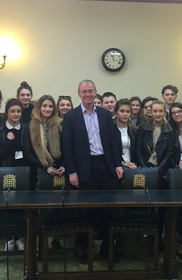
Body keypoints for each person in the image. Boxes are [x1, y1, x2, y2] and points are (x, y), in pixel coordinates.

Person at [61, 80, 123, 263]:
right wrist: (71, 171)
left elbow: (113, 142)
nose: (88, 94)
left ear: (96, 92)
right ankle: (85, 250)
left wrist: (118, 164)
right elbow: (68, 147)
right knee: (85, 211)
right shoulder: (71, 116)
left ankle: (107, 249)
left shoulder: (105, 114)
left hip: (107, 166)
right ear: (78, 94)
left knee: (110, 210)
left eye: (90, 91)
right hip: (84, 169)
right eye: (84, 91)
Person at [24, 95, 65, 250]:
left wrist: (63, 166)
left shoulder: (59, 125)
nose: (47, 109)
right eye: (45, 106)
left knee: (57, 209)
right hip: (39, 173)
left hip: (59, 173)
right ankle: (40, 244)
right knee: (43, 211)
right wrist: (45, 167)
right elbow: (27, 152)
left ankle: (56, 239)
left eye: (50, 106)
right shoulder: (30, 125)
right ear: (38, 108)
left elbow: (66, 148)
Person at [0, 98, 27, 251]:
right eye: (12, 111)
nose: (16, 114)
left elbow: (29, 152)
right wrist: (7, 141)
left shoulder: (26, 128)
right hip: (5, 172)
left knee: (21, 206)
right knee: (7, 206)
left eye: (18, 111)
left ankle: (19, 237)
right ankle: (9, 238)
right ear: (7, 113)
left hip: (23, 173)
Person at [136, 100, 175, 189]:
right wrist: (145, 168)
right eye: (155, 111)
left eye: (161, 111)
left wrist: (158, 170)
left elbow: (169, 153)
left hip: (163, 170)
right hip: (145, 167)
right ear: (150, 112)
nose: (158, 114)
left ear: (165, 113)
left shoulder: (170, 130)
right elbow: (138, 150)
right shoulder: (143, 128)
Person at [114, 99, 138, 169]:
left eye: (128, 111)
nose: (125, 114)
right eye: (122, 111)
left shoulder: (134, 130)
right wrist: (122, 162)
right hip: (116, 167)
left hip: (133, 167)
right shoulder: (111, 130)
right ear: (116, 112)